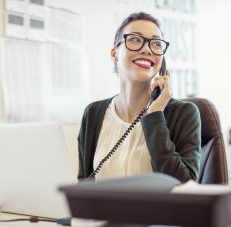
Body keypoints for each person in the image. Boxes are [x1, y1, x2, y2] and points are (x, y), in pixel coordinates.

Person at [77, 12, 201, 183]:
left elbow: (185, 187)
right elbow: (84, 185)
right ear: (114, 53)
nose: (147, 49)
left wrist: (155, 115)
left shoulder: (184, 113)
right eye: (135, 39)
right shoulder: (93, 114)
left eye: (156, 43)